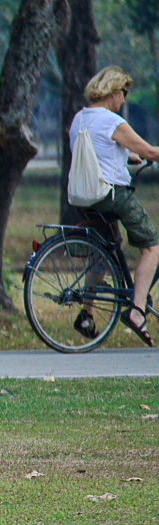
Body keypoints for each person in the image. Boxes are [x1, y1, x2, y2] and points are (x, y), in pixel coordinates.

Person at [69, 66, 159, 344]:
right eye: (123, 93)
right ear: (112, 91)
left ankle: (87, 314)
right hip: (111, 196)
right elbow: (150, 151)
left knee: (104, 253)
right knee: (152, 248)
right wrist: (141, 154)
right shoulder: (111, 121)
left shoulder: (79, 119)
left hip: (84, 198)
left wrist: (126, 156)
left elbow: (94, 152)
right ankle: (137, 311)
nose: (123, 100)